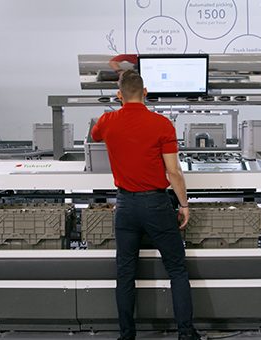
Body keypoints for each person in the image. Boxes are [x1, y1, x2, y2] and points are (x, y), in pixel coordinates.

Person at [91, 70, 201, 340]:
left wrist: (119, 108)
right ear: (146, 92)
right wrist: (184, 205)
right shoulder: (162, 124)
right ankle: (186, 334)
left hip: (125, 206)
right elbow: (173, 171)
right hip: (156, 204)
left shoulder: (107, 121)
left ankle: (127, 335)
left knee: (125, 272)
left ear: (119, 95)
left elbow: (95, 136)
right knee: (176, 269)